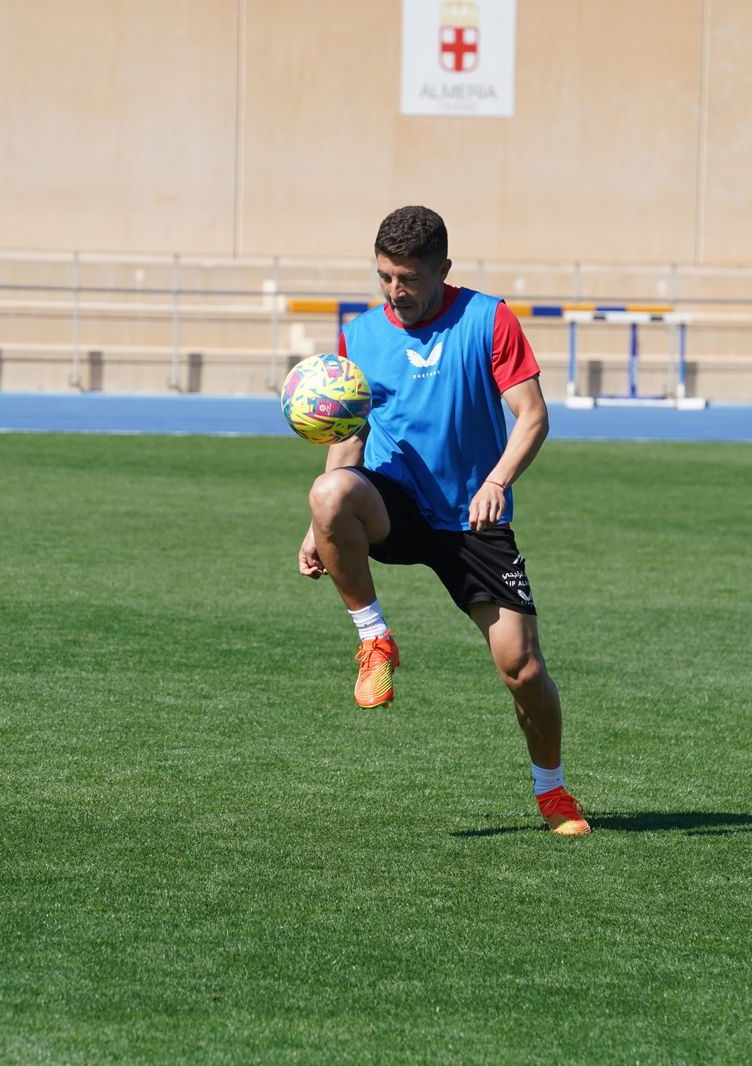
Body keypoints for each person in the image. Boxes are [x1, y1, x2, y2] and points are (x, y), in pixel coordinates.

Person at [296, 205, 590, 836]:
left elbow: (532, 415)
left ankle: (553, 792)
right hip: (393, 504)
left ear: (443, 270)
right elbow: (350, 433)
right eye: (384, 277)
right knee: (326, 494)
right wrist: (321, 520)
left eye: (408, 279)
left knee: (523, 669)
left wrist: (497, 481)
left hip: (470, 518)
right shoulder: (362, 334)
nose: (395, 292)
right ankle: (374, 638)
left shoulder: (488, 320)